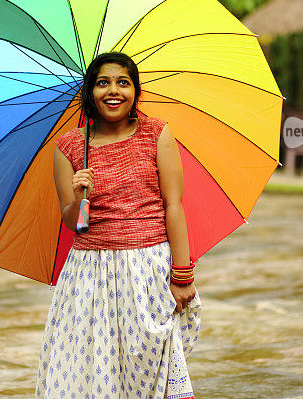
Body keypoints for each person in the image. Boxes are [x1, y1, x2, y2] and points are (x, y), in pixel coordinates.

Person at [35, 52, 201, 398]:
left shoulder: (157, 133)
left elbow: (174, 206)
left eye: (123, 82)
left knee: (149, 369)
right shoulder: (69, 147)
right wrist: (80, 198)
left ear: (135, 91)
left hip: (148, 270)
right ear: (89, 92)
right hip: (89, 274)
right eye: (103, 83)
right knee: (90, 369)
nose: (114, 91)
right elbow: (76, 225)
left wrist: (183, 274)